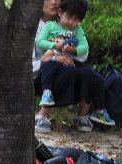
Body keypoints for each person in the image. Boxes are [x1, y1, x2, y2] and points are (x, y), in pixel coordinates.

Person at [32, 0, 113, 134]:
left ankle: (85, 115)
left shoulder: (73, 28)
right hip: (43, 77)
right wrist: (53, 55)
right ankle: (43, 114)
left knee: (89, 73)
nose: (53, 2)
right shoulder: (34, 27)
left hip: (69, 70)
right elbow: (27, 63)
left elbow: (83, 52)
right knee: (59, 68)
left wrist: (72, 50)